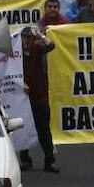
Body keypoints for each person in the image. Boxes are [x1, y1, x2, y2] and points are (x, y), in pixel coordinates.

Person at [19, 26, 59, 173]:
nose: (27, 41)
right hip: (24, 98)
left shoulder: (37, 49)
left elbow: (51, 45)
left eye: (29, 37)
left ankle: (49, 161)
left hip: (40, 96)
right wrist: (21, 83)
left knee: (44, 130)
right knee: (23, 129)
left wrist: (40, 35)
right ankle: (25, 160)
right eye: (25, 37)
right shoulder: (16, 54)